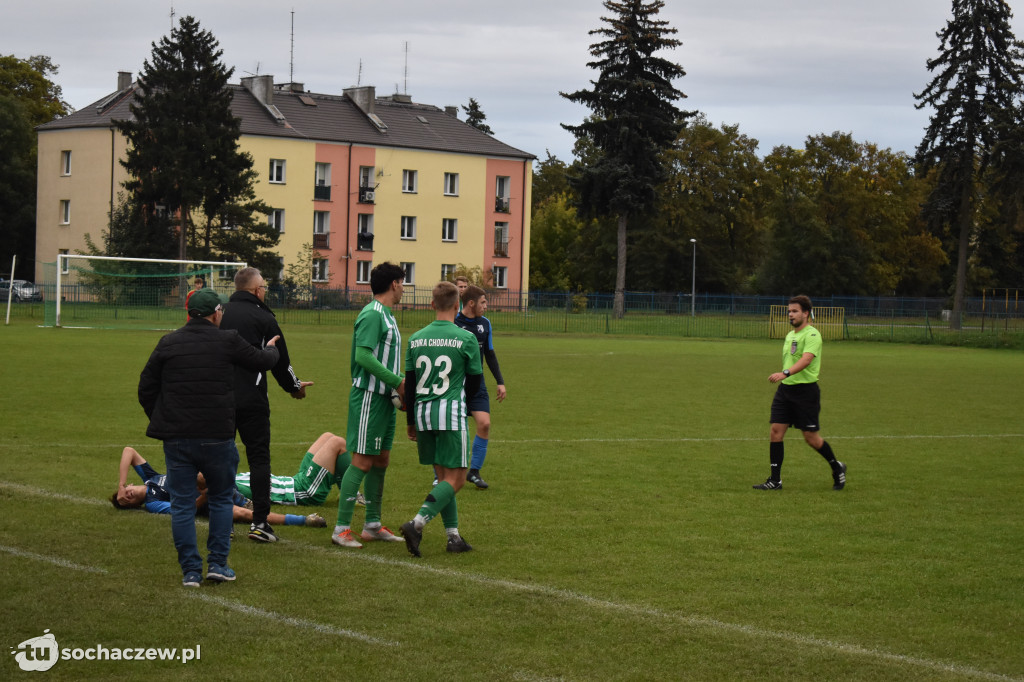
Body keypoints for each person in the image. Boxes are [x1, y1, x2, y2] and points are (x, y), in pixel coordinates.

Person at [138, 287, 281, 587]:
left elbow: (146, 388)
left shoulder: (168, 342)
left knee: (180, 504)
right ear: (216, 314)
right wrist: (272, 349)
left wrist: (162, 418)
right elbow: (260, 361)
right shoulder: (227, 339)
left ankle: (190, 570)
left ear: (188, 314)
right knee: (218, 499)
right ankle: (217, 563)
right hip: (217, 435)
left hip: (178, 438)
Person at [220, 267, 313, 544]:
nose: (265, 291)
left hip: (219, 398)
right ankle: (260, 523)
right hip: (252, 399)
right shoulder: (264, 316)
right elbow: (281, 361)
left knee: (220, 459)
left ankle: (223, 523)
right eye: (264, 287)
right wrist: (294, 387)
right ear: (256, 290)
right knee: (259, 458)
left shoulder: (219, 313)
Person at [400, 281, 483, 557]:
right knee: (457, 479)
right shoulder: (466, 338)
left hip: (423, 415)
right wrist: (467, 407)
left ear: (432, 304)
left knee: (443, 478)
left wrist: (410, 420)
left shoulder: (415, 338)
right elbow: (474, 383)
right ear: (458, 305)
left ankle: (453, 537)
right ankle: (417, 523)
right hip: (450, 414)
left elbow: (409, 386)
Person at [331, 262, 407, 548]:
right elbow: (363, 357)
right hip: (368, 397)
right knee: (362, 461)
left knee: (381, 460)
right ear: (394, 284)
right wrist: (397, 382)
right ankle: (341, 529)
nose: (404, 289)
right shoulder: (373, 314)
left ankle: (372, 525)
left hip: (385, 399)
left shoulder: (387, 315)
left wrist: (396, 386)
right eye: (402, 283)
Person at [754, 295, 846, 491]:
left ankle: (836, 467)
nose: (790, 314)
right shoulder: (790, 335)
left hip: (805, 392)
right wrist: (785, 377)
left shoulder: (812, 335)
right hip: (785, 391)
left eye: (795, 311)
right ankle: (775, 480)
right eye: (789, 311)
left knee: (811, 438)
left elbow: (806, 360)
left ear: (806, 313)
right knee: (775, 432)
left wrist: (784, 373)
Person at [111, 447, 326, 528]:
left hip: (211, 483)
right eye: (127, 502)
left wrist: (119, 484)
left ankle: (224, 471)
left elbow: (129, 451)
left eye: (124, 494)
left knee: (197, 475)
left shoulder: (151, 477)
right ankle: (304, 520)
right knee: (242, 514)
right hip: (206, 502)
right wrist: (206, 495)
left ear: (128, 485)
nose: (128, 496)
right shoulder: (152, 503)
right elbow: (189, 510)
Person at [454, 285, 507, 489]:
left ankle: (474, 472)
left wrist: (500, 381)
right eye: (483, 302)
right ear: (471, 303)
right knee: (451, 430)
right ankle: (439, 473)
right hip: (455, 382)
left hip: (478, 381)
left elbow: (490, 354)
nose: (487, 306)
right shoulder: (454, 322)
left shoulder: (485, 323)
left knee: (484, 424)